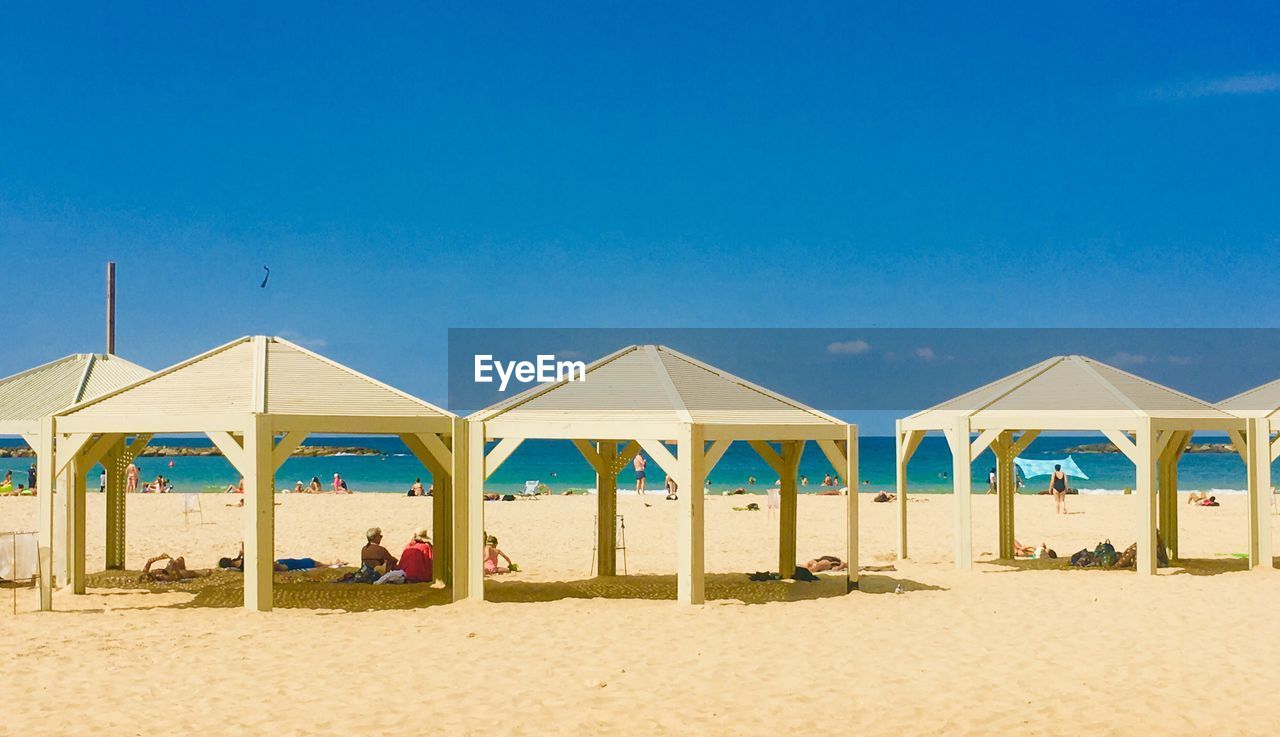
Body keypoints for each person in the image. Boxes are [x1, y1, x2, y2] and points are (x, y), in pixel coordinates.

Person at [139, 553, 208, 583]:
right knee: (194, 573)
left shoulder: (148, 574)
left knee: (180, 559)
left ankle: (203, 574)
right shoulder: (161, 577)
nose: (155, 570)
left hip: (173, 571)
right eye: (156, 571)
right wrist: (172, 565)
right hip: (180, 575)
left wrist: (160, 557)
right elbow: (174, 578)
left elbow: (149, 561)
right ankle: (204, 575)